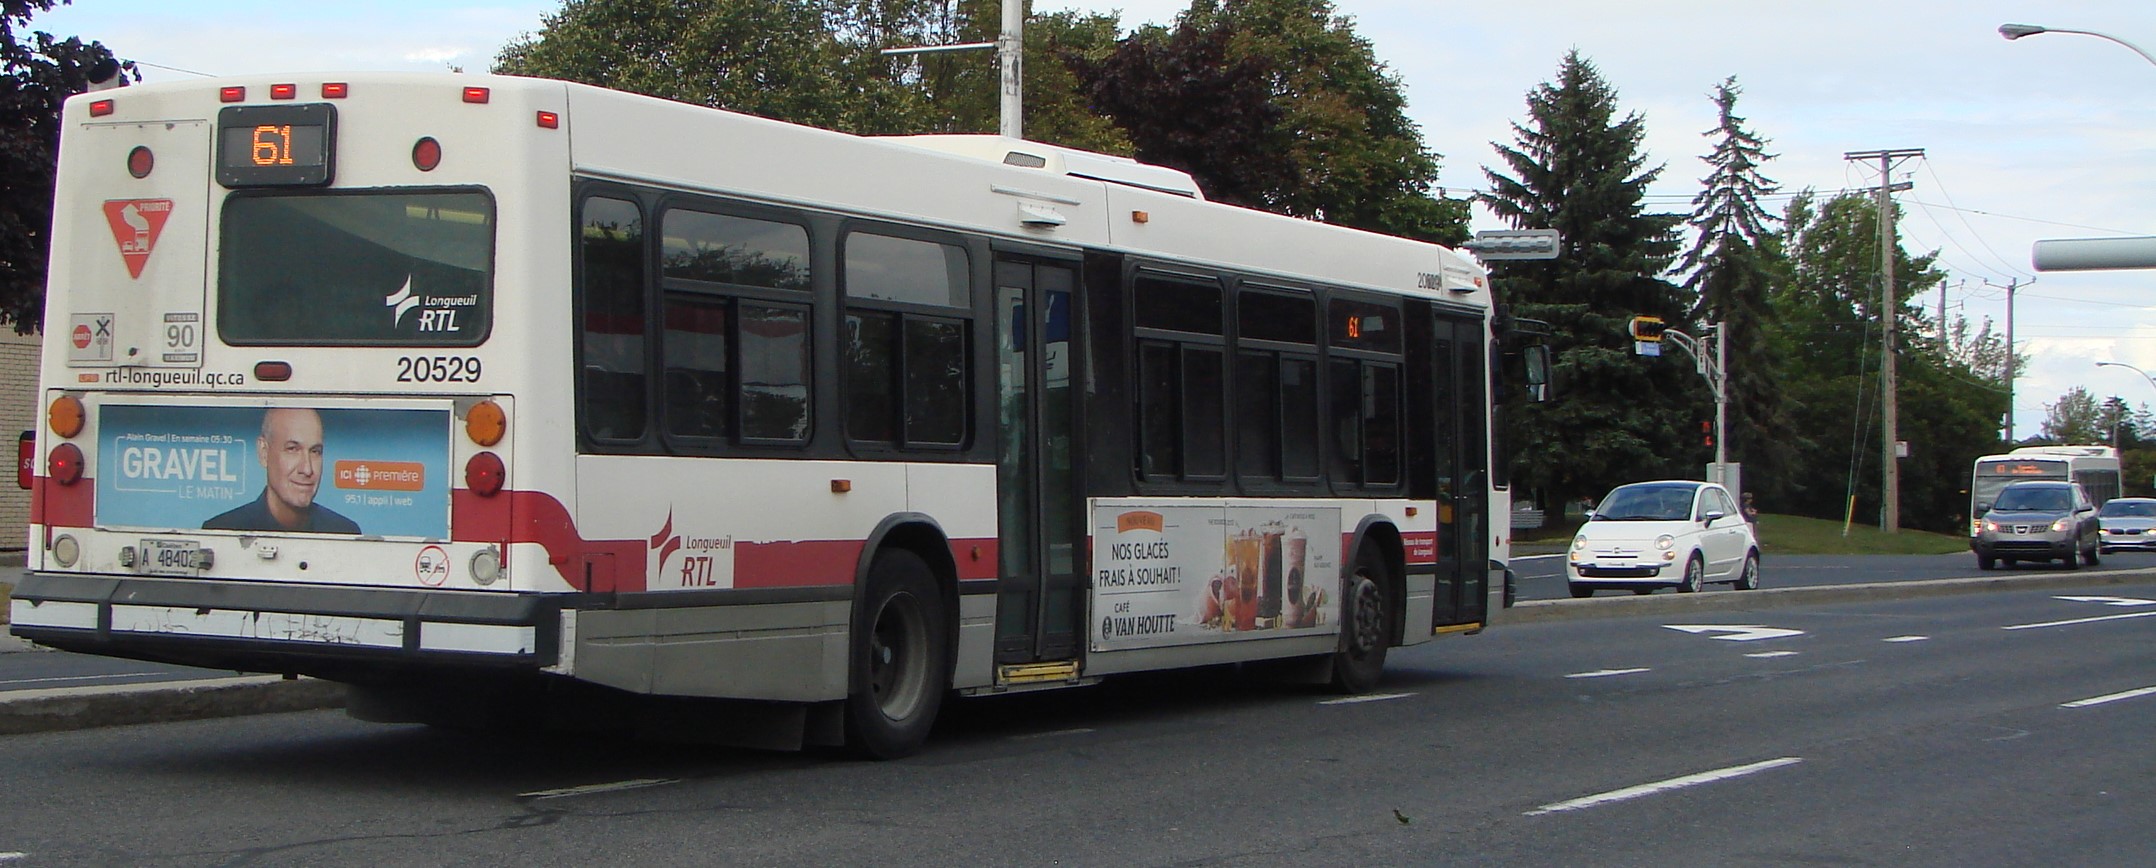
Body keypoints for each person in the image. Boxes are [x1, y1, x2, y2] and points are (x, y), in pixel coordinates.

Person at [202, 407, 361, 534]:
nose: (307, 469)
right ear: (264, 453)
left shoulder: (343, 532)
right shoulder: (222, 531)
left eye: (315, 451)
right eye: (292, 449)